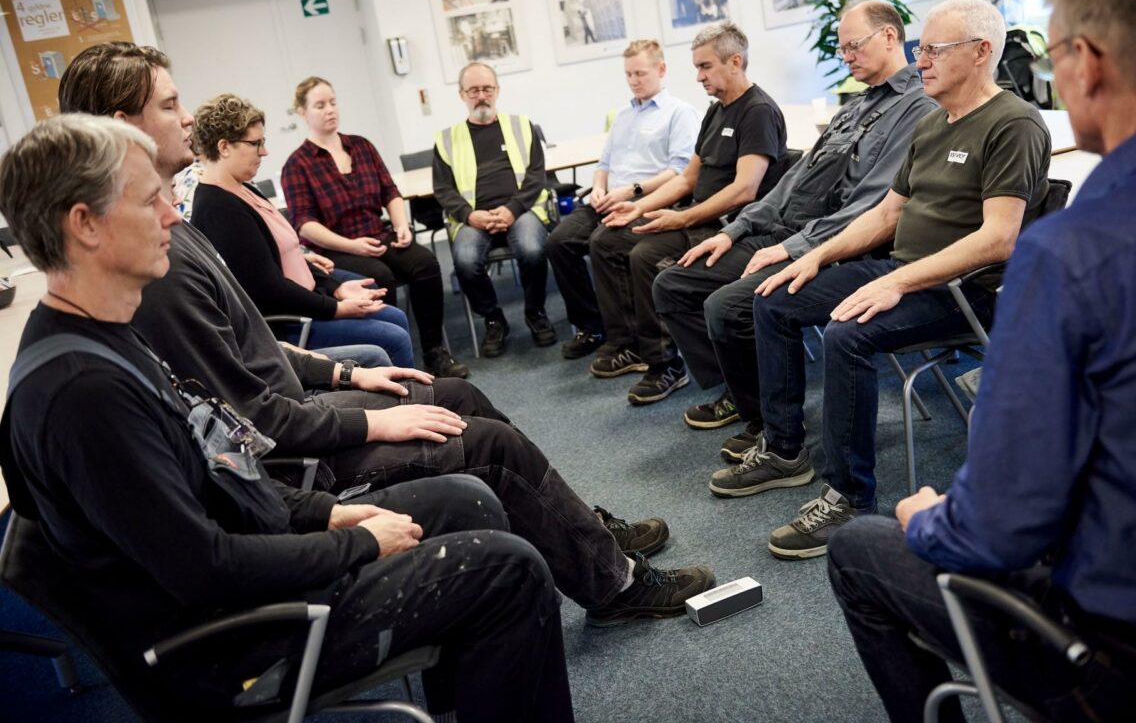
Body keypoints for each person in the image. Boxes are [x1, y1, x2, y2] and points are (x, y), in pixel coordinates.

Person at [57, 41, 716, 627]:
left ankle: (578, 530)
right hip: (292, 457)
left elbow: (253, 344)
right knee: (483, 443)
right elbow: (251, 421)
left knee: (448, 390)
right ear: (125, 128)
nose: (190, 119)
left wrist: (351, 375)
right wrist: (375, 424)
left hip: (301, 413)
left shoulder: (175, 222)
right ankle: (614, 583)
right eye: (172, 106)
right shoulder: (156, 253)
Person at [0, 113, 574, 722]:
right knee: (508, 572)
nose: (172, 216)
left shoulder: (109, 337)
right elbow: (205, 571)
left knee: (467, 500)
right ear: (84, 225)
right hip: (236, 642)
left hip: (254, 563)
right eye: (151, 202)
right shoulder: (85, 395)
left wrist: (325, 512)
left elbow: (224, 470)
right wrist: (353, 543)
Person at [827, 0, 1136, 720]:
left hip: (1128, 661)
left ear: (1087, 63)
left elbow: (996, 529)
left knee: (862, 548)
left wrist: (927, 519)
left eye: (1052, 52)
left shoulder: (1072, 257)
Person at [713, 0, 1049, 558]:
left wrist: (900, 281)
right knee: (777, 297)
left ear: (983, 52)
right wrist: (815, 256)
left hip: (965, 292)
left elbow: (1000, 237)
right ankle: (785, 450)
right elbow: (886, 214)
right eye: (922, 49)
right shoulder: (933, 122)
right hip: (904, 272)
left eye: (937, 50)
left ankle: (849, 495)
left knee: (847, 334)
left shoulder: (1012, 122)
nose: (923, 61)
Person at [653, 0, 935, 458]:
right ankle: (745, 395)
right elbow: (791, 183)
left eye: (853, 46)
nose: (845, 56)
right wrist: (735, 229)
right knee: (675, 283)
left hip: (840, 246)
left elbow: (872, 208)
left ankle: (768, 423)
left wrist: (795, 248)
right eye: (843, 49)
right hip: (791, 232)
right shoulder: (853, 108)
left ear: (889, 37)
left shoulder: (916, 108)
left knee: (729, 307)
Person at [589, 21, 789, 404]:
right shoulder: (716, 113)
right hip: (699, 216)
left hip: (734, 227)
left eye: (705, 67)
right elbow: (687, 179)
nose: (698, 77)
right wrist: (638, 208)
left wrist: (680, 218)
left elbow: (744, 190)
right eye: (696, 67)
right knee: (609, 239)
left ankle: (668, 366)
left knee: (645, 256)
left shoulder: (757, 111)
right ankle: (634, 345)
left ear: (735, 62)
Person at [190, 93, 414, 368]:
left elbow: (284, 256)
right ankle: (409, 403)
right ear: (224, 147)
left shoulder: (242, 188)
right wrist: (336, 306)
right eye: (255, 143)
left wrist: (334, 288)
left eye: (263, 142)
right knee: (393, 337)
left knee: (395, 317)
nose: (264, 151)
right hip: (289, 324)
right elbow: (268, 290)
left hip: (302, 301)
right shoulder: (219, 208)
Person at [281, 76, 468, 379]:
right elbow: (305, 224)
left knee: (425, 263)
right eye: (319, 105)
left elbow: (389, 191)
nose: (330, 109)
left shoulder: (361, 146)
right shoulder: (297, 164)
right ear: (302, 113)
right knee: (379, 277)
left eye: (332, 102)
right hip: (337, 248)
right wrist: (351, 245)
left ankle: (435, 351)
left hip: (379, 234)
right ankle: (388, 363)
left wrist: (401, 224)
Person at [546, 39, 701, 360]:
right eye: (628, 74)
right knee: (558, 242)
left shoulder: (680, 113)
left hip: (650, 199)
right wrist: (600, 187)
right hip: (608, 198)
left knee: (604, 242)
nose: (633, 80)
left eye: (640, 73)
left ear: (661, 70)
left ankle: (628, 338)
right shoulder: (622, 115)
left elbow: (679, 172)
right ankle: (593, 326)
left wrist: (631, 190)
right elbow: (603, 165)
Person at [432, 61, 556, 357]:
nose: (481, 95)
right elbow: (443, 189)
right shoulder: (446, 139)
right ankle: (493, 318)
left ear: (497, 91)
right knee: (463, 258)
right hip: (473, 219)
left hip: (521, 211)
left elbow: (537, 175)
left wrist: (513, 209)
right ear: (462, 94)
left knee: (532, 249)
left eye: (487, 88)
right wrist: (468, 215)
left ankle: (535, 312)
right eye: (474, 90)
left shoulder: (522, 125)